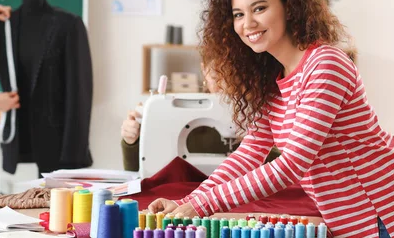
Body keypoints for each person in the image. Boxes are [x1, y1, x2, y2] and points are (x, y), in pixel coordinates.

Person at [148, 0, 394, 238]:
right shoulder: (276, 77)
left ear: (289, 8)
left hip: (376, 220)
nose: (247, 23)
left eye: (259, 8)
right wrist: (186, 203)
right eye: (238, 14)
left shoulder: (326, 65)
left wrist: (204, 205)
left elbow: (291, 165)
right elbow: (250, 153)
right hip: (347, 222)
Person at [120, 64, 280, 171]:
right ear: (204, 69)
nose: (226, 84)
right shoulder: (174, 111)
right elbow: (138, 172)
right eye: (218, 75)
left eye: (236, 75)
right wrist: (132, 141)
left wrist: (255, 143)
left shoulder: (265, 110)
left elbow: (284, 167)